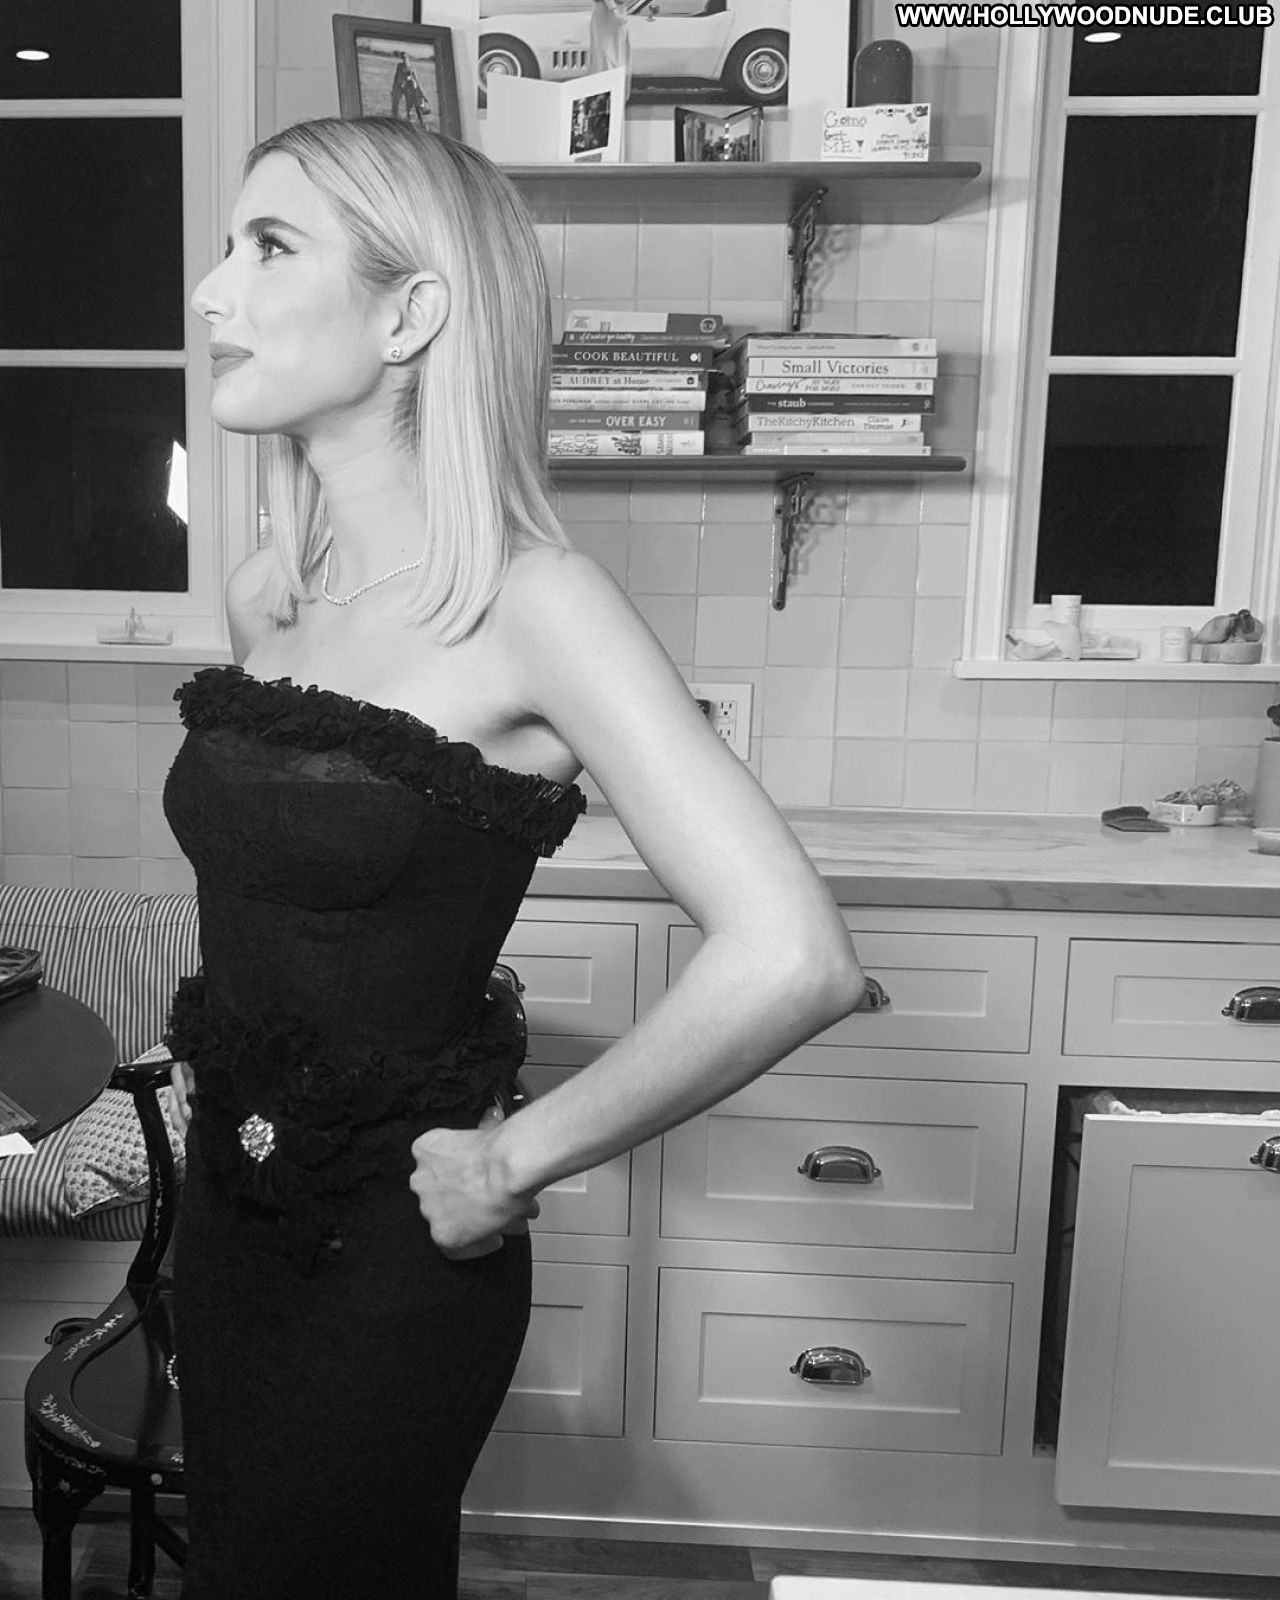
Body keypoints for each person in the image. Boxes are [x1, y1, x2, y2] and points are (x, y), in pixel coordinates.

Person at [170, 114, 865, 1599]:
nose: (213, 291)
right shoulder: (268, 592)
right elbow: (275, 909)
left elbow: (794, 957)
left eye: (269, 247)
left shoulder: (536, 605)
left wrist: (511, 1159)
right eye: (229, 247)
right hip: (227, 1223)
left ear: (411, 314)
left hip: (390, 1266)